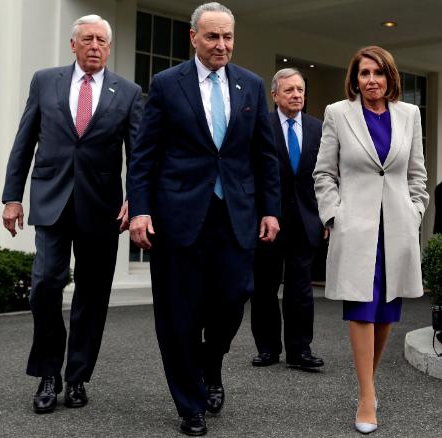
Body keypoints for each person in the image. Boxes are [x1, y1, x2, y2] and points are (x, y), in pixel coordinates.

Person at [126, 3, 280, 436]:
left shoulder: (250, 85)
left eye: (228, 37)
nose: (222, 45)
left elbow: (264, 157)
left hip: (236, 215)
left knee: (234, 298)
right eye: (212, 37)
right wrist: (139, 209)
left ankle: (210, 365)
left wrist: (271, 209)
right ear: (193, 37)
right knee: (178, 314)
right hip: (178, 216)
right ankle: (189, 402)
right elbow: (144, 156)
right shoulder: (166, 84)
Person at [0, 15, 142, 414]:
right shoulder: (45, 81)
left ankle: (77, 376)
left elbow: (139, 152)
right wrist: (12, 196)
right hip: (51, 200)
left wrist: (137, 198)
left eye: (101, 40)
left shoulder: (128, 92)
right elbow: (24, 139)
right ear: (73, 44)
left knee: (92, 297)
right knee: (45, 284)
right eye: (87, 39)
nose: (95, 45)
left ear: (109, 48)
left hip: (102, 208)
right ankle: (48, 372)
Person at [313, 45, 428, 434]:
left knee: (385, 313)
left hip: (396, 228)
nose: (371, 81)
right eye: (364, 74)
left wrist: (414, 213)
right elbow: (324, 173)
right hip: (357, 228)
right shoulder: (338, 114)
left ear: (390, 77)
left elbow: (417, 176)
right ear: (355, 78)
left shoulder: (409, 115)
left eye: (378, 73)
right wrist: (334, 215)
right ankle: (366, 397)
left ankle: (369, 384)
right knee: (361, 309)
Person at [250, 68, 325, 369]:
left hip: (306, 220)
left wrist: (326, 218)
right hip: (268, 219)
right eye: (289, 90)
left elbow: (328, 175)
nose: (296, 95)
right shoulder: (261, 125)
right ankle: (268, 349)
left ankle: (299, 351)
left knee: (301, 289)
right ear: (274, 95)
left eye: (300, 90)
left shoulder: (318, 128)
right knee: (265, 287)